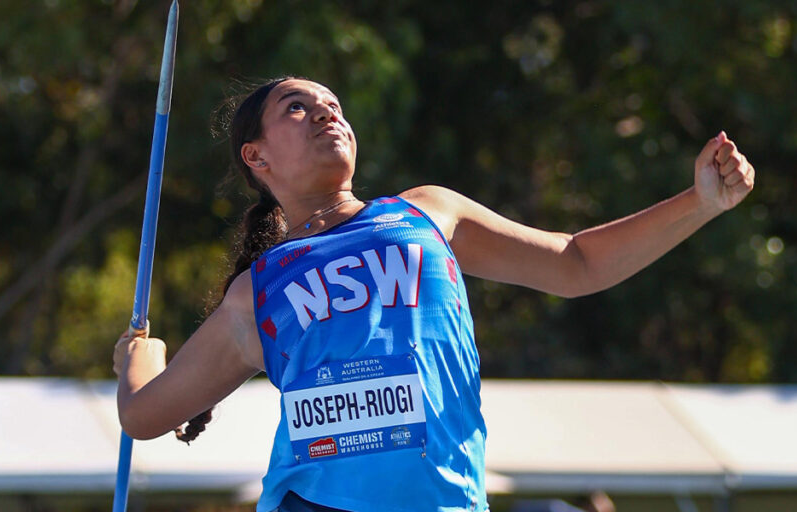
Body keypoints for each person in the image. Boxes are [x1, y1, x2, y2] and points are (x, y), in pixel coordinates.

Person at [113, 77, 755, 512]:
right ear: (257, 158)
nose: (328, 113)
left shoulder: (426, 213)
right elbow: (144, 414)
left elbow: (577, 262)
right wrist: (141, 355)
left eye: (334, 105)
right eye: (297, 108)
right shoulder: (257, 291)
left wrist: (699, 203)